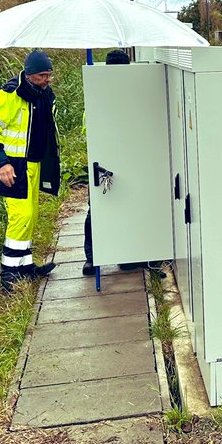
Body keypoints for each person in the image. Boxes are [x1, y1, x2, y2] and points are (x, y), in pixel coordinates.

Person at [0, 50, 61, 292]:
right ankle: (9, 273)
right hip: (13, 167)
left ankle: (25, 266)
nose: (47, 80)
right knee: (21, 217)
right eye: (42, 76)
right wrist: (2, 163)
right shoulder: (8, 96)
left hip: (34, 164)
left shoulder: (43, 94)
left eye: (49, 75)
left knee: (32, 215)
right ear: (28, 75)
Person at [83, 49, 131, 276]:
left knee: (118, 208)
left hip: (117, 159)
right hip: (105, 161)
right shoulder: (98, 91)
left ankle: (112, 257)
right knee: (98, 211)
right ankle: (95, 258)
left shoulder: (130, 90)